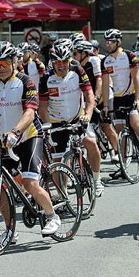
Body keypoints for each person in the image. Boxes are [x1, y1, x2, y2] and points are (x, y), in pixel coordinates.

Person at [0, 41, 61, 242]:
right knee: (1, 188)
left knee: (30, 182)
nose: (2, 67)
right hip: (4, 142)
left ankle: (52, 216)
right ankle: (10, 231)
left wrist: (16, 132)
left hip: (28, 136)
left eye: (5, 62)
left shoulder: (25, 82)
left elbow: (30, 112)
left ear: (14, 61)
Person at [39, 43, 104, 196]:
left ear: (69, 60)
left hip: (77, 118)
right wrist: (48, 125)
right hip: (56, 122)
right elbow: (42, 106)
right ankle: (63, 195)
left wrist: (87, 115)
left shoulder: (78, 71)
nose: (61, 65)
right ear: (52, 63)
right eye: (57, 62)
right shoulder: (46, 79)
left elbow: (89, 96)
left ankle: (96, 179)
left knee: (91, 142)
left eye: (64, 61)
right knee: (58, 161)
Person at [101, 29, 139, 178]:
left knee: (135, 123)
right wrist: (105, 105)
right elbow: (105, 85)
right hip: (117, 98)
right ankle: (123, 165)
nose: (108, 44)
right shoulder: (106, 61)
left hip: (132, 95)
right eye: (107, 41)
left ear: (118, 42)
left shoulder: (129, 56)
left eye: (111, 41)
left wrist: (137, 99)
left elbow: (136, 78)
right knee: (119, 130)